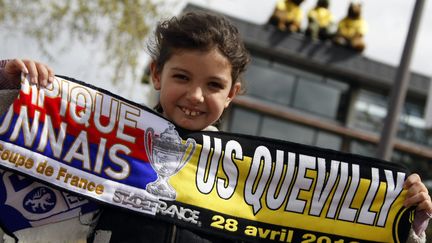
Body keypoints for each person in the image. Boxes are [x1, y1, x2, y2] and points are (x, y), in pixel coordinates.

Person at [0, 10, 431, 243]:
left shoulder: (256, 180)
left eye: (213, 85)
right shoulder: (96, 135)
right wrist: (7, 93)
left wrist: (404, 222)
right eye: (182, 78)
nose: (195, 96)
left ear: (233, 94)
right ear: (156, 75)